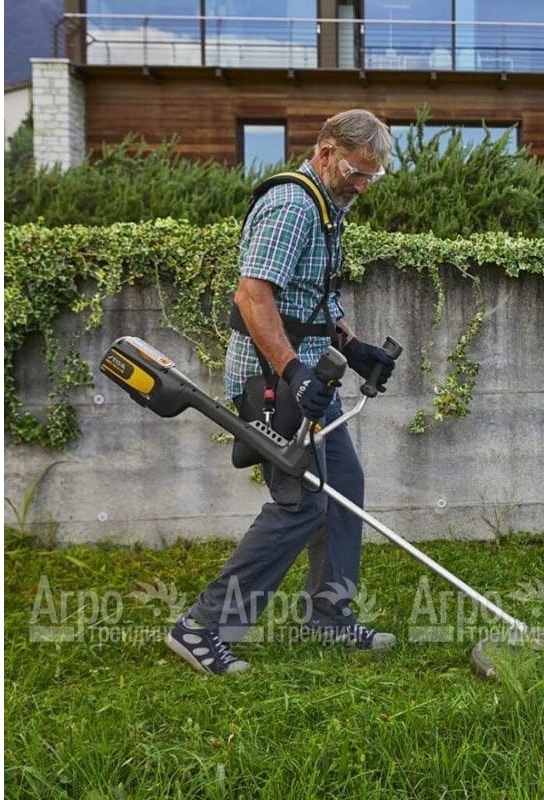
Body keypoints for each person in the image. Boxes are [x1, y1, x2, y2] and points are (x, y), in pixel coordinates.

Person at [166, 109, 398, 675]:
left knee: (343, 486)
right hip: (274, 381)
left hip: (312, 376)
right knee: (301, 502)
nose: (363, 187)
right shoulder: (292, 205)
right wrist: (293, 372)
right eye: (357, 173)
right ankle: (202, 627)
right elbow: (253, 297)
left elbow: (309, 298)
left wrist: (354, 346)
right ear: (326, 152)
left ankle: (329, 617)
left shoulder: (327, 208)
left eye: (373, 177)